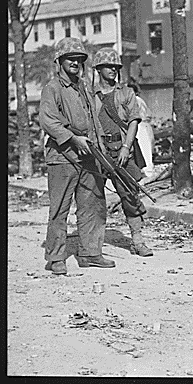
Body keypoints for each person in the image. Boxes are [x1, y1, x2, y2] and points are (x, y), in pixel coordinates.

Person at [39, 37, 114, 274]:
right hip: (62, 157)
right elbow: (48, 120)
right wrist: (73, 139)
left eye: (79, 59)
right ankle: (56, 257)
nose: (75, 62)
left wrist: (100, 146)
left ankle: (91, 253)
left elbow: (94, 119)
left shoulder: (84, 87)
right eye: (70, 58)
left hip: (88, 155)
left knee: (93, 203)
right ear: (60, 61)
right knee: (60, 208)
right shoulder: (52, 89)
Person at [92, 48, 153, 257]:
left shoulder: (126, 93)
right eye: (108, 66)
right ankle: (92, 245)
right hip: (98, 151)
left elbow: (134, 121)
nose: (113, 70)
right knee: (92, 197)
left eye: (116, 67)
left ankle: (137, 240)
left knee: (130, 194)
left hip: (121, 149)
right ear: (99, 69)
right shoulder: (91, 96)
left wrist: (126, 148)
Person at [127, 79, 155, 178]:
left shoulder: (136, 100)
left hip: (141, 126)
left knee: (144, 148)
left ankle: (147, 172)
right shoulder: (134, 100)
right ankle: (143, 171)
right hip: (140, 125)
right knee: (140, 149)